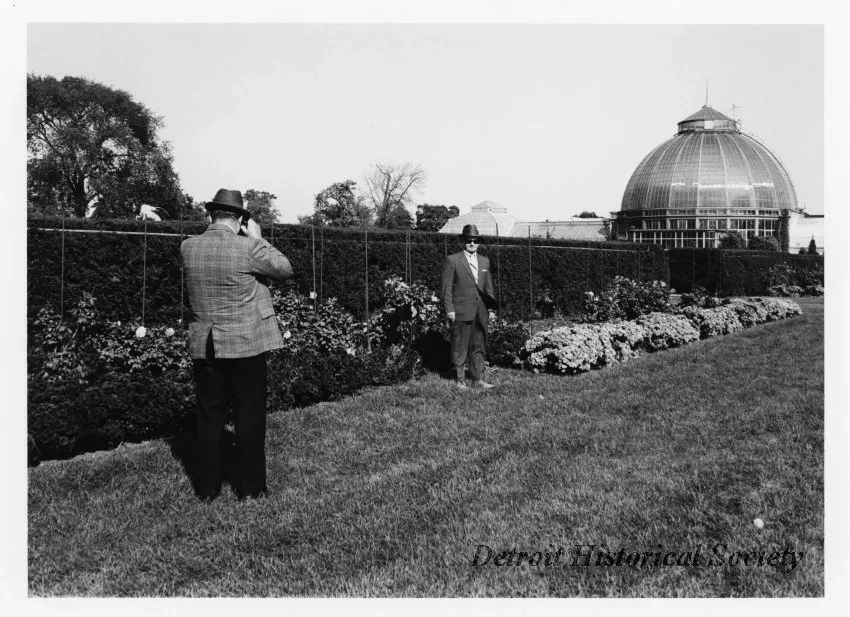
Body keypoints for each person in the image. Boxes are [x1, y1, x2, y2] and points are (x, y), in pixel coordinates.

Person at [181, 188, 293, 501]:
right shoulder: (248, 248)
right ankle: (251, 489)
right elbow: (284, 268)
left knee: (209, 417)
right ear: (240, 219)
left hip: (205, 343)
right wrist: (258, 238)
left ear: (211, 215)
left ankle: (207, 489)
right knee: (249, 417)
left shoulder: (188, 247)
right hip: (246, 344)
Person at [441, 224, 496, 390]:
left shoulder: (484, 261)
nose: (472, 243)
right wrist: (449, 309)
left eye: (475, 241)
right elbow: (446, 287)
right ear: (463, 241)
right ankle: (460, 380)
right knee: (460, 345)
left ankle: (478, 378)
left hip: (481, 310)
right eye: (468, 240)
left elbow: (488, 286)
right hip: (461, 309)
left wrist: (491, 308)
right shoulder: (453, 260)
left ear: (479, 242)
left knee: (479, 344)